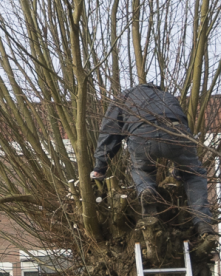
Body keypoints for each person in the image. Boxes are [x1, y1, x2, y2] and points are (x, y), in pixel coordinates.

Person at [89, 82, 210, 234]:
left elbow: (109, 132)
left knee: (142, 170)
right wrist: (180, 172)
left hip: (142, 135)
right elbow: (183, 127)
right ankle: (203, 223)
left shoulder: (125, 97)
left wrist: (100, 167)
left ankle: (147, 191)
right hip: (177, 132)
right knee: (194, 174)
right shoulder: (167, 96)